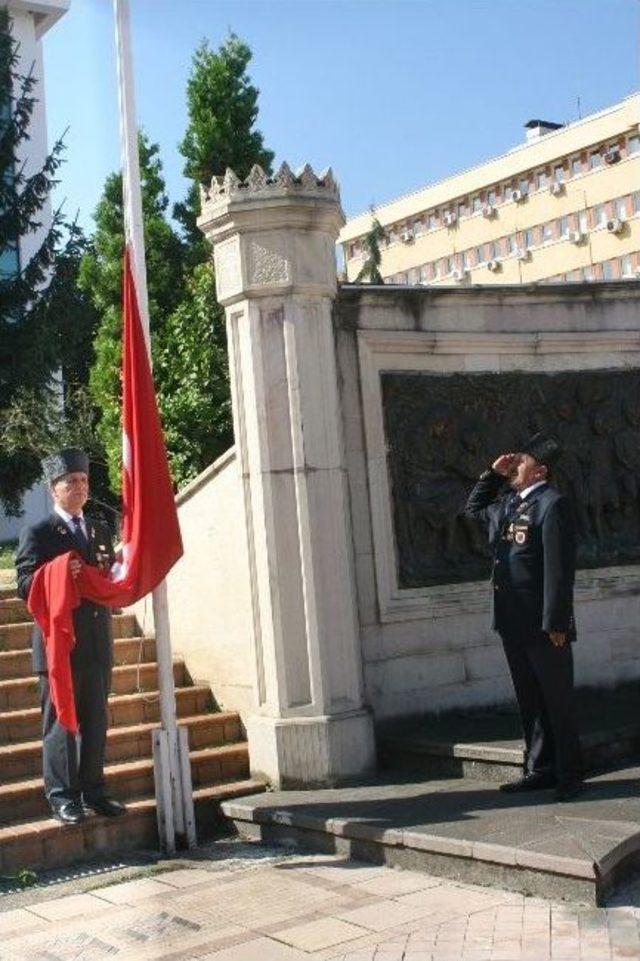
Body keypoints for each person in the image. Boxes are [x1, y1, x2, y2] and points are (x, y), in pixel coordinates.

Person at [464, 432, 583, 802]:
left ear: (541, 470)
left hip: (544, 626)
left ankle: (569, 774)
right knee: (529, 700)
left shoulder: (552, 505)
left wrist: (557, 623)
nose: (516, 464)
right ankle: (539, 768)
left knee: (556, 701)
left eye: (523, 461)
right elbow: (472, 512)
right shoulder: (509, 502)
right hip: (512, 621)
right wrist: (491, 475)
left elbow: (559, 571)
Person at [15, 449, 126, 824]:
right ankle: (63, 797)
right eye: (70, 483)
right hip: (57, 645)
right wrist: (60, 570)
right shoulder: (40, 532)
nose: (79, 488)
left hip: (96, 641)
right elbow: (25, 584)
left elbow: (107, 574)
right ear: (54, 490)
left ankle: (94, 791)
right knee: (61, 723)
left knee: (96, 720)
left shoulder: (99, 529)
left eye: (83, 481)